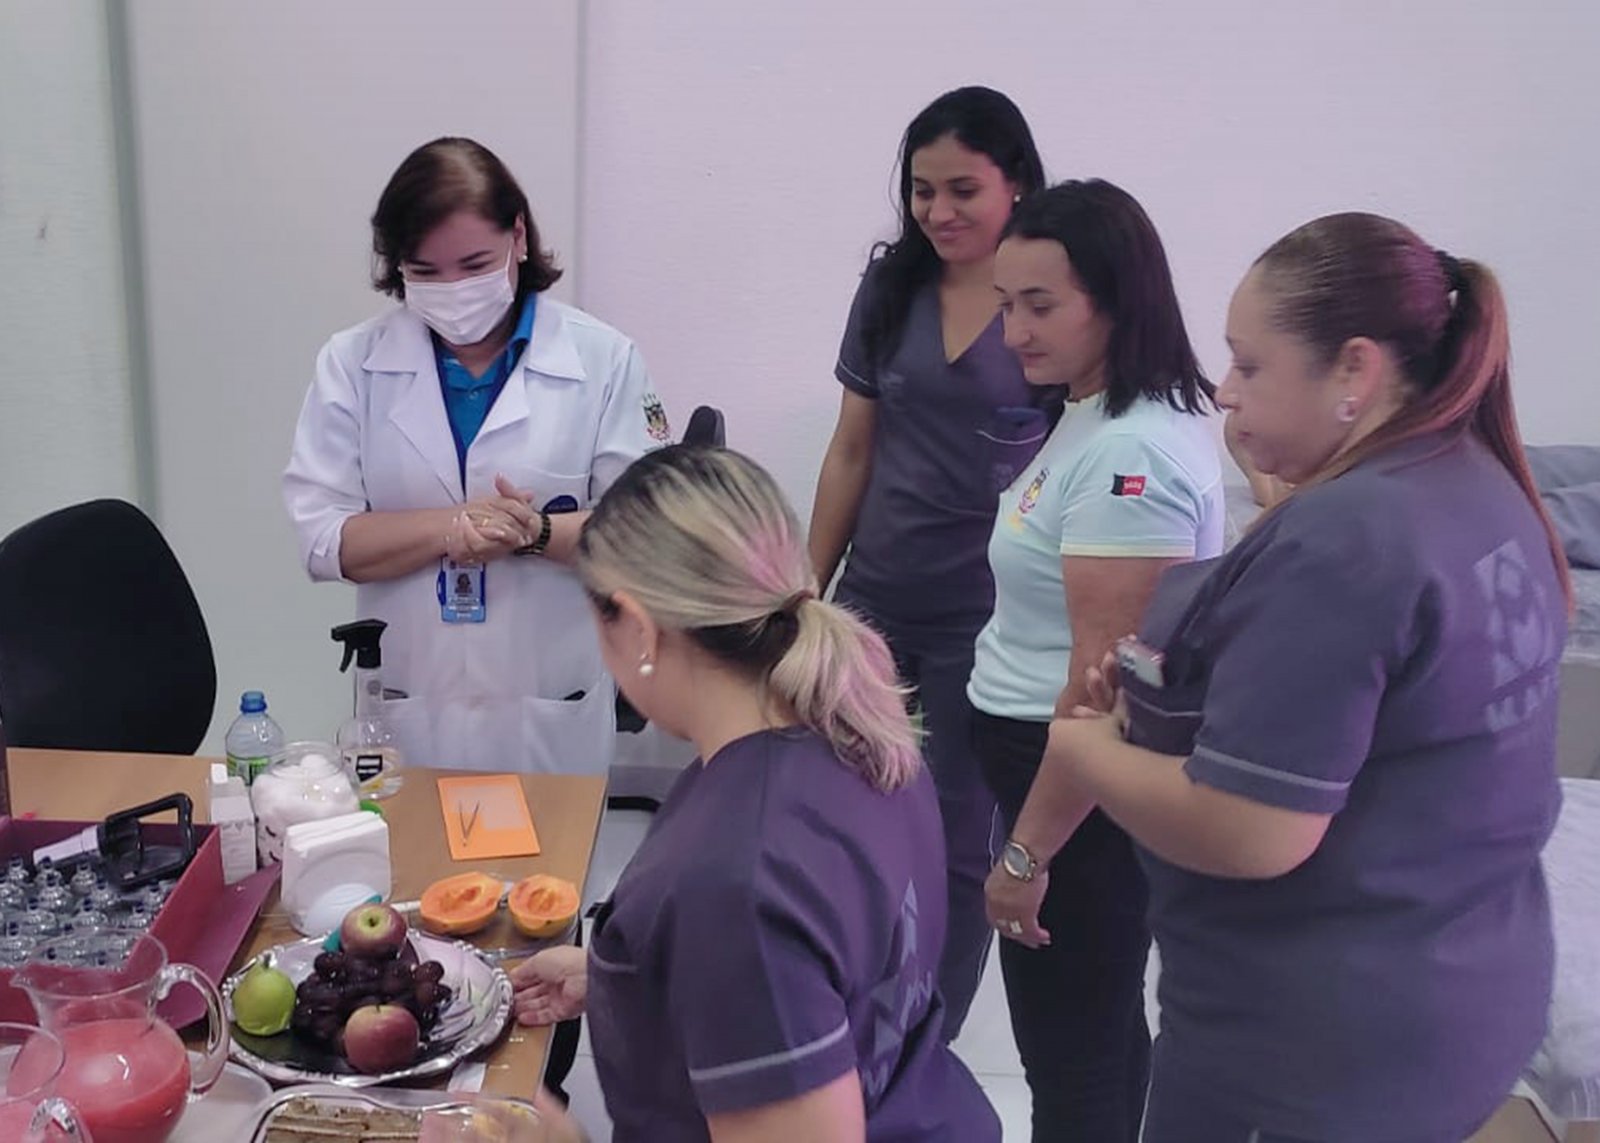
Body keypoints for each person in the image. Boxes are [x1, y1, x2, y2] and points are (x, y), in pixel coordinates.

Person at [1044, 212, 1570, 1142]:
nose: (1224, 389)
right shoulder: (1476, 480)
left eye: (1249, 365)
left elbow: (1254, 830)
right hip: (1462, 992)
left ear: (1355, 371)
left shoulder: (1347, 542)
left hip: (1311, 1050)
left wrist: (1083, 747)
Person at [511, 445, 1000, 1143]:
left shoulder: (734, 881)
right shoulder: (867, 734)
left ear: (639, 630)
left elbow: (759, 943)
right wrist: (631, 979)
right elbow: (832, 971)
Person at [284, 136, 669, 776]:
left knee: (552, 844)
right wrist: (454, 527)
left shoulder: (603, 360)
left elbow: (649, 535)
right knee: (412, 841)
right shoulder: (352, 365)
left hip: (547, 705)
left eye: (474, 264)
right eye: (426, 272)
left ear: (518, 237)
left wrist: (534, 533)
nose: (453, 289)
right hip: (411, 706)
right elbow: (324, 542)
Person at [970, 179, 1224, 1141]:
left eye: (1040, 305)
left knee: (1070, 1058)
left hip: (1076, 799)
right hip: (1053, 778)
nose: (1014, 332)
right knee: (1102, 1035)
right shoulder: (1094, 413)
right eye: (1006, 303)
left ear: (1116, 298)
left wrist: (1026, 853)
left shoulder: (1133, 460)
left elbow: (1100, 689)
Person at [808, 85, 1048, 1040]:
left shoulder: (1046, 305)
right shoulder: (892, 288)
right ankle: (836, 1007)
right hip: (873, 596)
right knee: (840, 811)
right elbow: (851, 449)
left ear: (1016, 185)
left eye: (963, 190)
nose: (939, 212)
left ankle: (925, 1038)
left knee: (953, 836)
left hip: (983, 620)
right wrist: (805, 590)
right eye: (922, 190)